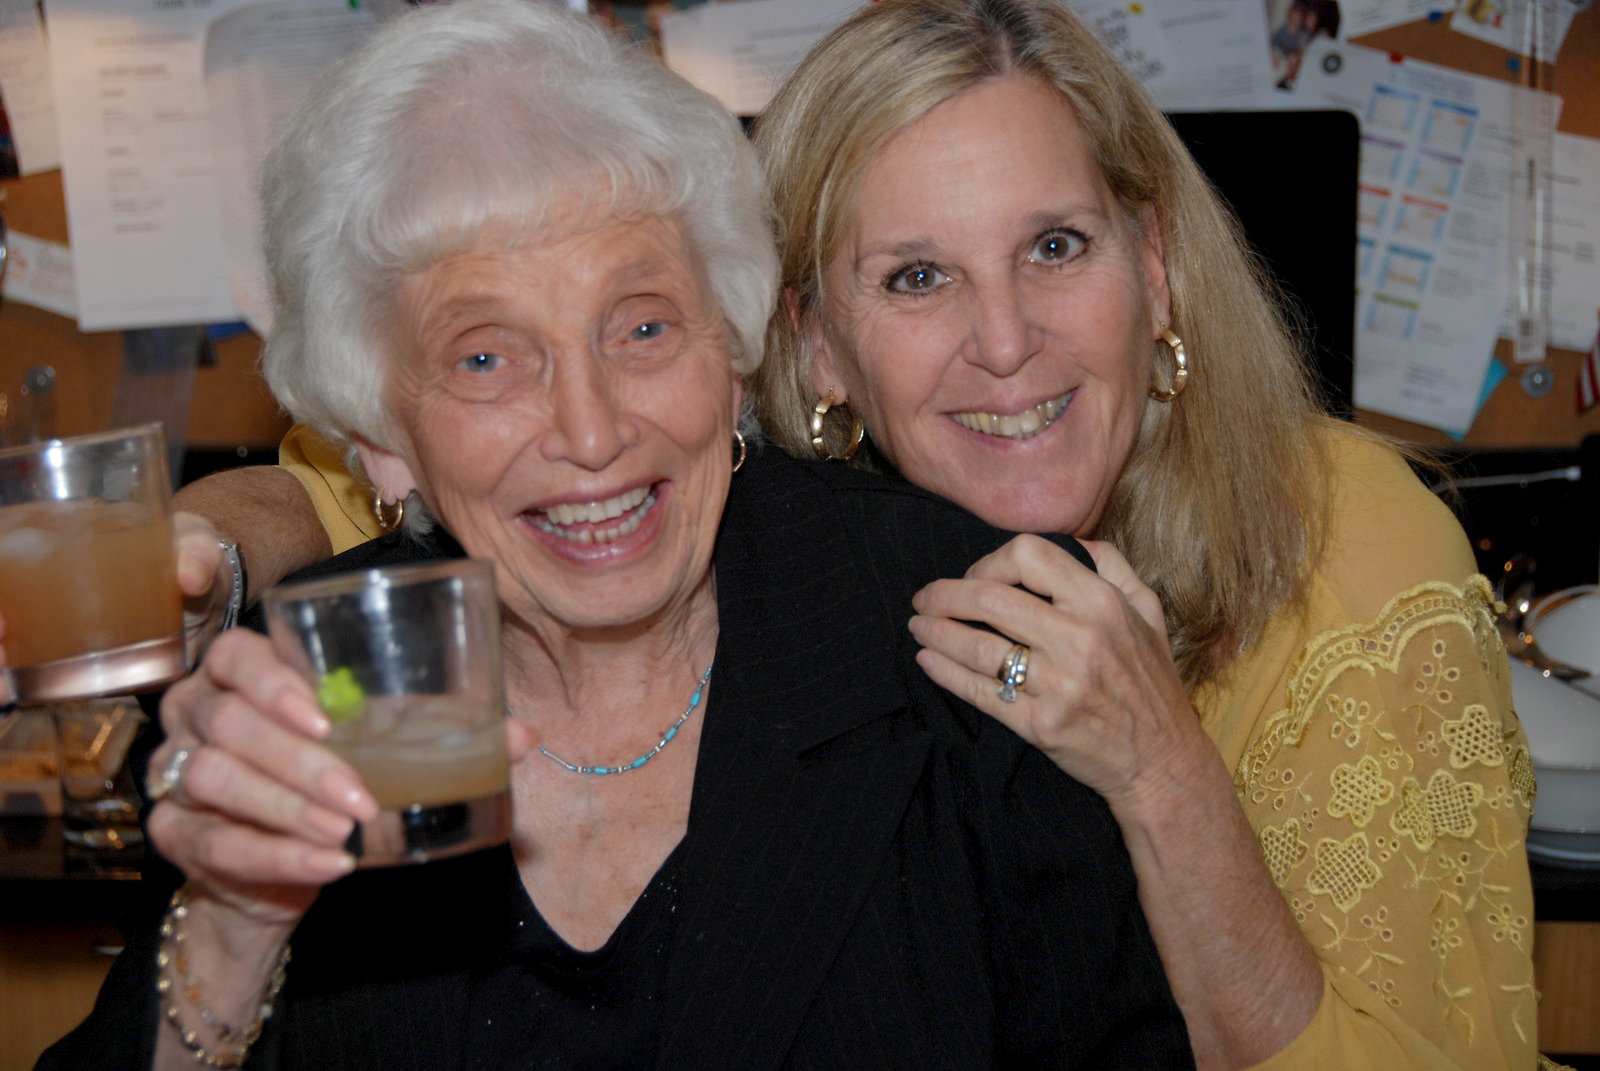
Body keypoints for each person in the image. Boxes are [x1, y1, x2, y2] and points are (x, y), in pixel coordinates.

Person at [44, 0, 1552, 1068]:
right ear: (382, 433)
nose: (590, 426)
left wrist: (1163, 774)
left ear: (733, 351)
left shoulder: (971, 651)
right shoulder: (349, 683)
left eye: (643, 324)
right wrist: (232, 929)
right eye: (487, 356)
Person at [751, 2, 1548, 1069]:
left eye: (1054, 246)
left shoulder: (1350, 553)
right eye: (917, 277)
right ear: (817, 348)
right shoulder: (781, 601)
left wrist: (1162, 770)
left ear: (1154, 267)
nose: (1004, 342)